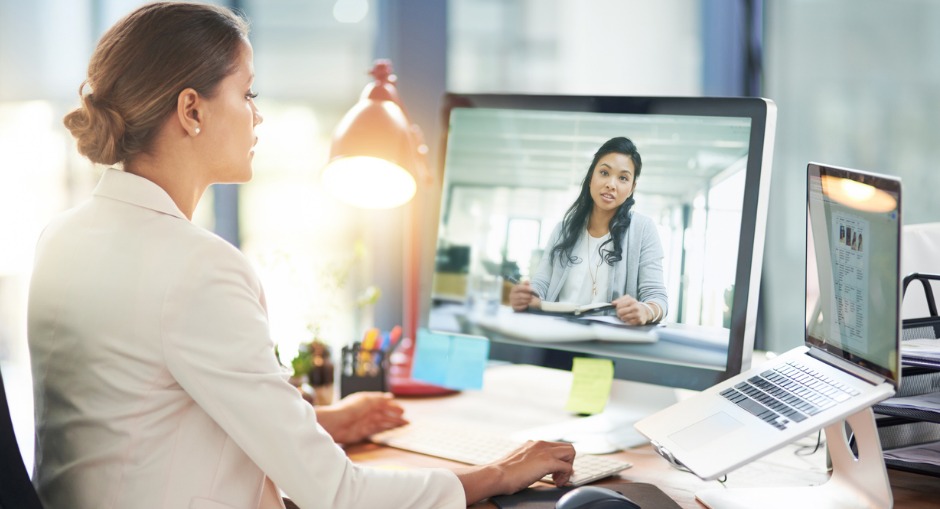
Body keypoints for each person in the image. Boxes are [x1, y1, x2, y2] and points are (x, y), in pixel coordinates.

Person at [27, 3, 574, 509]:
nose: (256, 117)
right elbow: (338, 494)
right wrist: (500, 472)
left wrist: (320, 424)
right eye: (248, 95)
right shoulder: (196, 268)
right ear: (191, 110)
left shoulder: (63, 238)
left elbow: (144, 416)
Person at [508, 137, 668, 325]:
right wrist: (526, 297)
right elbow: (541, 285)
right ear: (591, 177)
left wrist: (645, 310)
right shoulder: (563, 230)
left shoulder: (643, 230)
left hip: (608, 341)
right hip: (555, 335)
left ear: (632, 188)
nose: (611, 184)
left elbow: (658, 299)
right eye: (604, 172)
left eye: (623, 178)